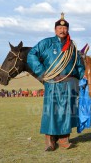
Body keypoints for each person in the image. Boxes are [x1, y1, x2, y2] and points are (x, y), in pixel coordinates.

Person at [27, 13, 85, 151]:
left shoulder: (72, 47)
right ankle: (50, 140)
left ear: (68, 30)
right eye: (59, 27)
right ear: (55, 30)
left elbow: (79, 65)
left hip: (68, 83)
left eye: (64, 28)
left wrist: (83, 79)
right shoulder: (46, 43)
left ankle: (64, 138)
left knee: (67, 111)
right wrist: (42, 72)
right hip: (52, 82)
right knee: (51, 111)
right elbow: (31, 55)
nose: (62, 30)